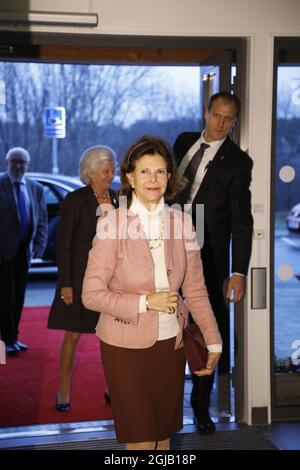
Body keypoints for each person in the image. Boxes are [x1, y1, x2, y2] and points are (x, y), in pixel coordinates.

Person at [82, 135, 222, 450]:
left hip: (170, 347)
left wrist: (213, 340)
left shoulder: (183, 223)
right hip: (124, 348)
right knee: (142, 444)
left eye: (160, 171)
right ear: (129, 177)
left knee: (163, 440)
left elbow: (197, 291)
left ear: (169, 176)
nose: (153, 179)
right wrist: (146, 302)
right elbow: (91, 294)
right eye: (144, 171)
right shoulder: (112, 225)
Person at [173, 91, 253, 434]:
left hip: (209, 250)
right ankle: (161, 395)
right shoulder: (184, 141)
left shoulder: (237, 162)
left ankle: (201, 405)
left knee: (208, 326)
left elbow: (241, 221)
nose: (221, 124)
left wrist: (238, 272)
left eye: (228, 119)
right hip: (169, 239)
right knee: (164, 319)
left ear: (235, 121)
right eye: (216, 116)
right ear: (206, 113)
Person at [47, 145, 118, 411]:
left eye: (112, 170)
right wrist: (65, 284)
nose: (110, 175)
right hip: (78, 280)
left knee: (112, 338)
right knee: (73, 336)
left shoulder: (118, 198)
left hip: (110, 282)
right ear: (90, 172)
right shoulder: (76, 200)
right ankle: (63, 387)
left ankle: (113, 387)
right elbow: (63, 245)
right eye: (105, 171)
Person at [0, 147, 47, 355]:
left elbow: (42, 220)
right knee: (5, 295)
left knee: (19, 295)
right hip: (3, 252)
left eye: (22, 162)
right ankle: (8, 340)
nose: (18, 165)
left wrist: (39, 246)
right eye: (14, 161)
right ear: (7, 163)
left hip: (24, 251)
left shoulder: (35, 188)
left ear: (28, 164)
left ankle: (13, 337)